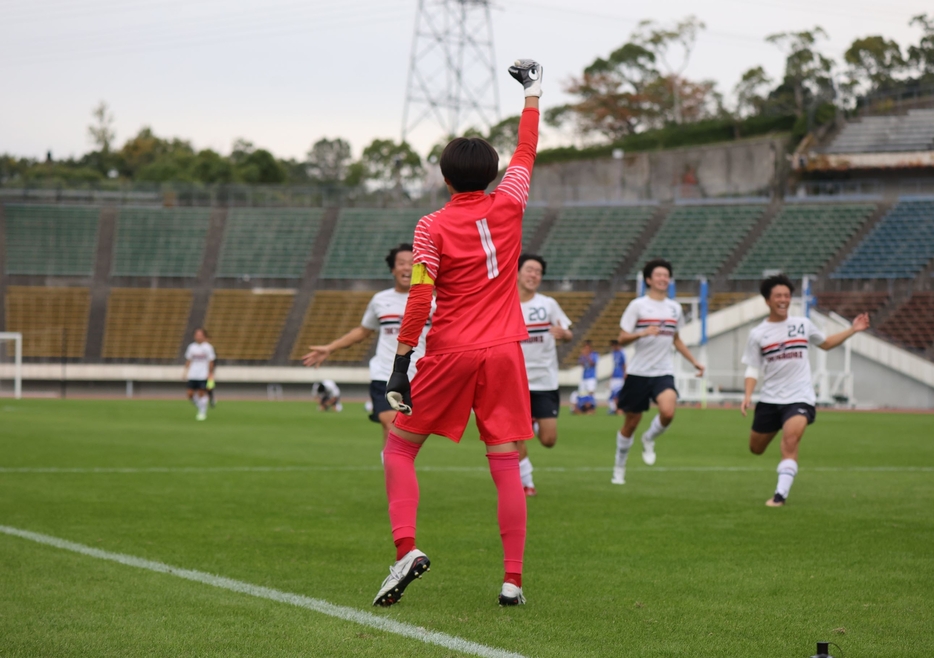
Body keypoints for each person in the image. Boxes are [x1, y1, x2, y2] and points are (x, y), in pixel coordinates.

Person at [373, 59, 542, 608]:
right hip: (505, 353)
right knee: (506, 462)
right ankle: (512, 580)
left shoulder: (431, 226)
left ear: (445, 178)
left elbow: (420, 296)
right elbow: (526, 153)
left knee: (399, 448)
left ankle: (406, 550)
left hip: (450, 351)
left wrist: (402, 360)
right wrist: (532, 95)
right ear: (491, 175)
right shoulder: (511, 203)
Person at [741, 274, 869, 507]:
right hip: (770, 399)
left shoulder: (803, 325)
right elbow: (752, 367)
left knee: (791, 440)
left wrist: (853, 329)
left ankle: (780, 495)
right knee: (755, 448)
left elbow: (826, 344)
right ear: (767, 300)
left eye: (787, 296)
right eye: (778, 296)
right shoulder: (758, 334)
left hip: (800, 397)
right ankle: (778, 432)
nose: (783, 300)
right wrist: (748, 395)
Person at [302, 244, 432, 452]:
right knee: (390, 423)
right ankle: (395, 473)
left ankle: (393, 464)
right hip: (385, 373)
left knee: (410, 433)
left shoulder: (433, 301)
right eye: (401, 263)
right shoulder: (380, 300)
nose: (407, 267)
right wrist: (330, 348)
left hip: (421, 374)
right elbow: (363, 331)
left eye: (413, 263)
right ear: (393, 269)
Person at [611, 259, 704, 485]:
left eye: (666, 275)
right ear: (649, 280)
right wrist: (642, 333)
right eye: (658, 275)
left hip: (663, 372)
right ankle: (619, 466)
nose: (663, 279)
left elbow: (676, 339)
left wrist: (694, 362)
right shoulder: (637, 306)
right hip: (638, 373)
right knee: (630, 423)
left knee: (668, 411)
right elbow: (622, 338)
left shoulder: (674, 308)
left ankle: (649, 437)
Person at [516, 253, 573, 497]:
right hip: (513, 381)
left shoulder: (548, 304)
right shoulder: (504, 304)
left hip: (544, 381)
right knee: (515, 435)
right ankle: (526, 481)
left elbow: (568, 332)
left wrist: (565, 335)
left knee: (549, 440)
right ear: (517, 273)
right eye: (529, 270)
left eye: (538, 272)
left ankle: (535, 424)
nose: (533, 275)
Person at [183, 328, 215, 421]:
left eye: (200, 335)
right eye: (197, 335)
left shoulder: (208, 347)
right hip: (193, 374)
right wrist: (185, 371)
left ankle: (202, 411)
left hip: (203, 374)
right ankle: (201, 406)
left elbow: (211, 361)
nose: (198, 336)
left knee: (201, 393)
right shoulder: (191, 347)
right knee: (190, 394)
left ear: (204, 336)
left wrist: (210, 373)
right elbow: (189, 360)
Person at [607, 339, 626, 414]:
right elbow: (615, 365)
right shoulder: (614, 353)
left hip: (620, 376)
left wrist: (625, 374)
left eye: (613, 345)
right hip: (614, 376)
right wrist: (612, 373)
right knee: (612, 394)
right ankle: (614, 409)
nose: (612, 347)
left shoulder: (622, 352)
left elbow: (624, 364)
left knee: (618, 393)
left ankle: (620, 408)